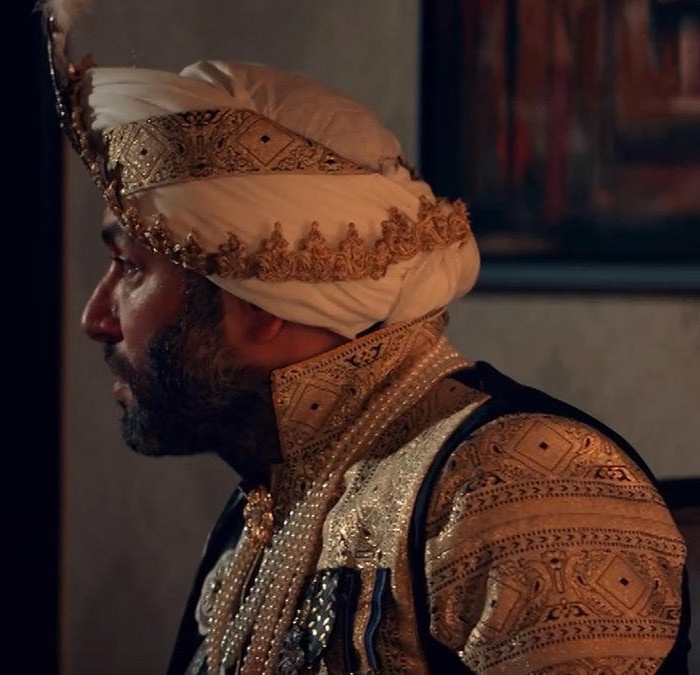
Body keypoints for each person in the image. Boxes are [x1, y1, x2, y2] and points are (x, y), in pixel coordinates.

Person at [39, 3, 692, 674]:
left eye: (129, 269)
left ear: (258, 300)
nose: (97, 317)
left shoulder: (521, 484)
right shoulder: (265, 502)